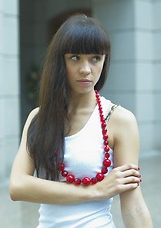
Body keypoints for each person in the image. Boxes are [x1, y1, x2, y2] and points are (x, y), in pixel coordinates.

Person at [10, 14, 153, 228]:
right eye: (75, 57)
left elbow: (133, 205)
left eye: (95, 58)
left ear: (104, 61)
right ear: (61, 61)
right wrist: (95, 190)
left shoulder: (120, 120)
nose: (86, 69)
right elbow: (18, 185)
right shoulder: (39, 117)